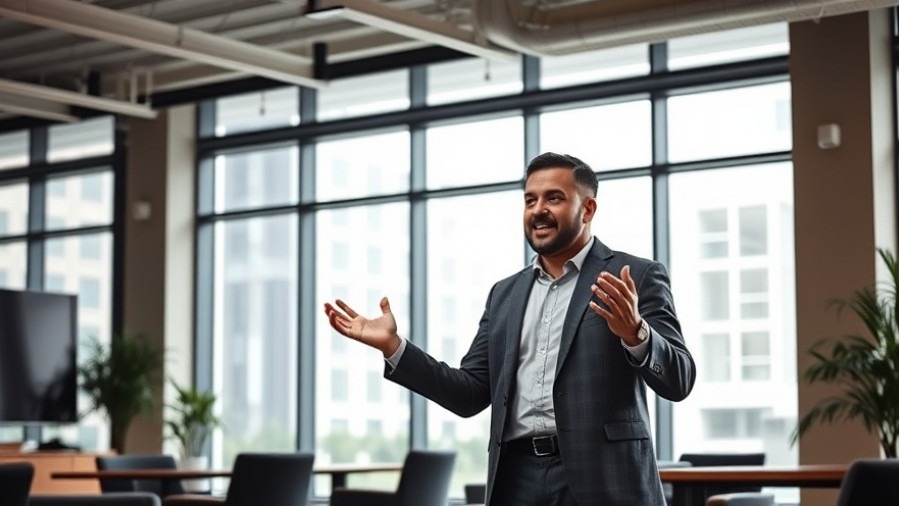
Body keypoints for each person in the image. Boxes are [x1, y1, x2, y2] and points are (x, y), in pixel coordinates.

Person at [323, 152, 696, 506]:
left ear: (588, 208)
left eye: (554, 198)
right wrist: (393, 347)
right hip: (516, 476)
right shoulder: (505, 294)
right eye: (530, 200)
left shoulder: (636, 276)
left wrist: (637, 334)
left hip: (603, 477)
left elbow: (679, 380)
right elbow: (468, 393)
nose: (539, 210)